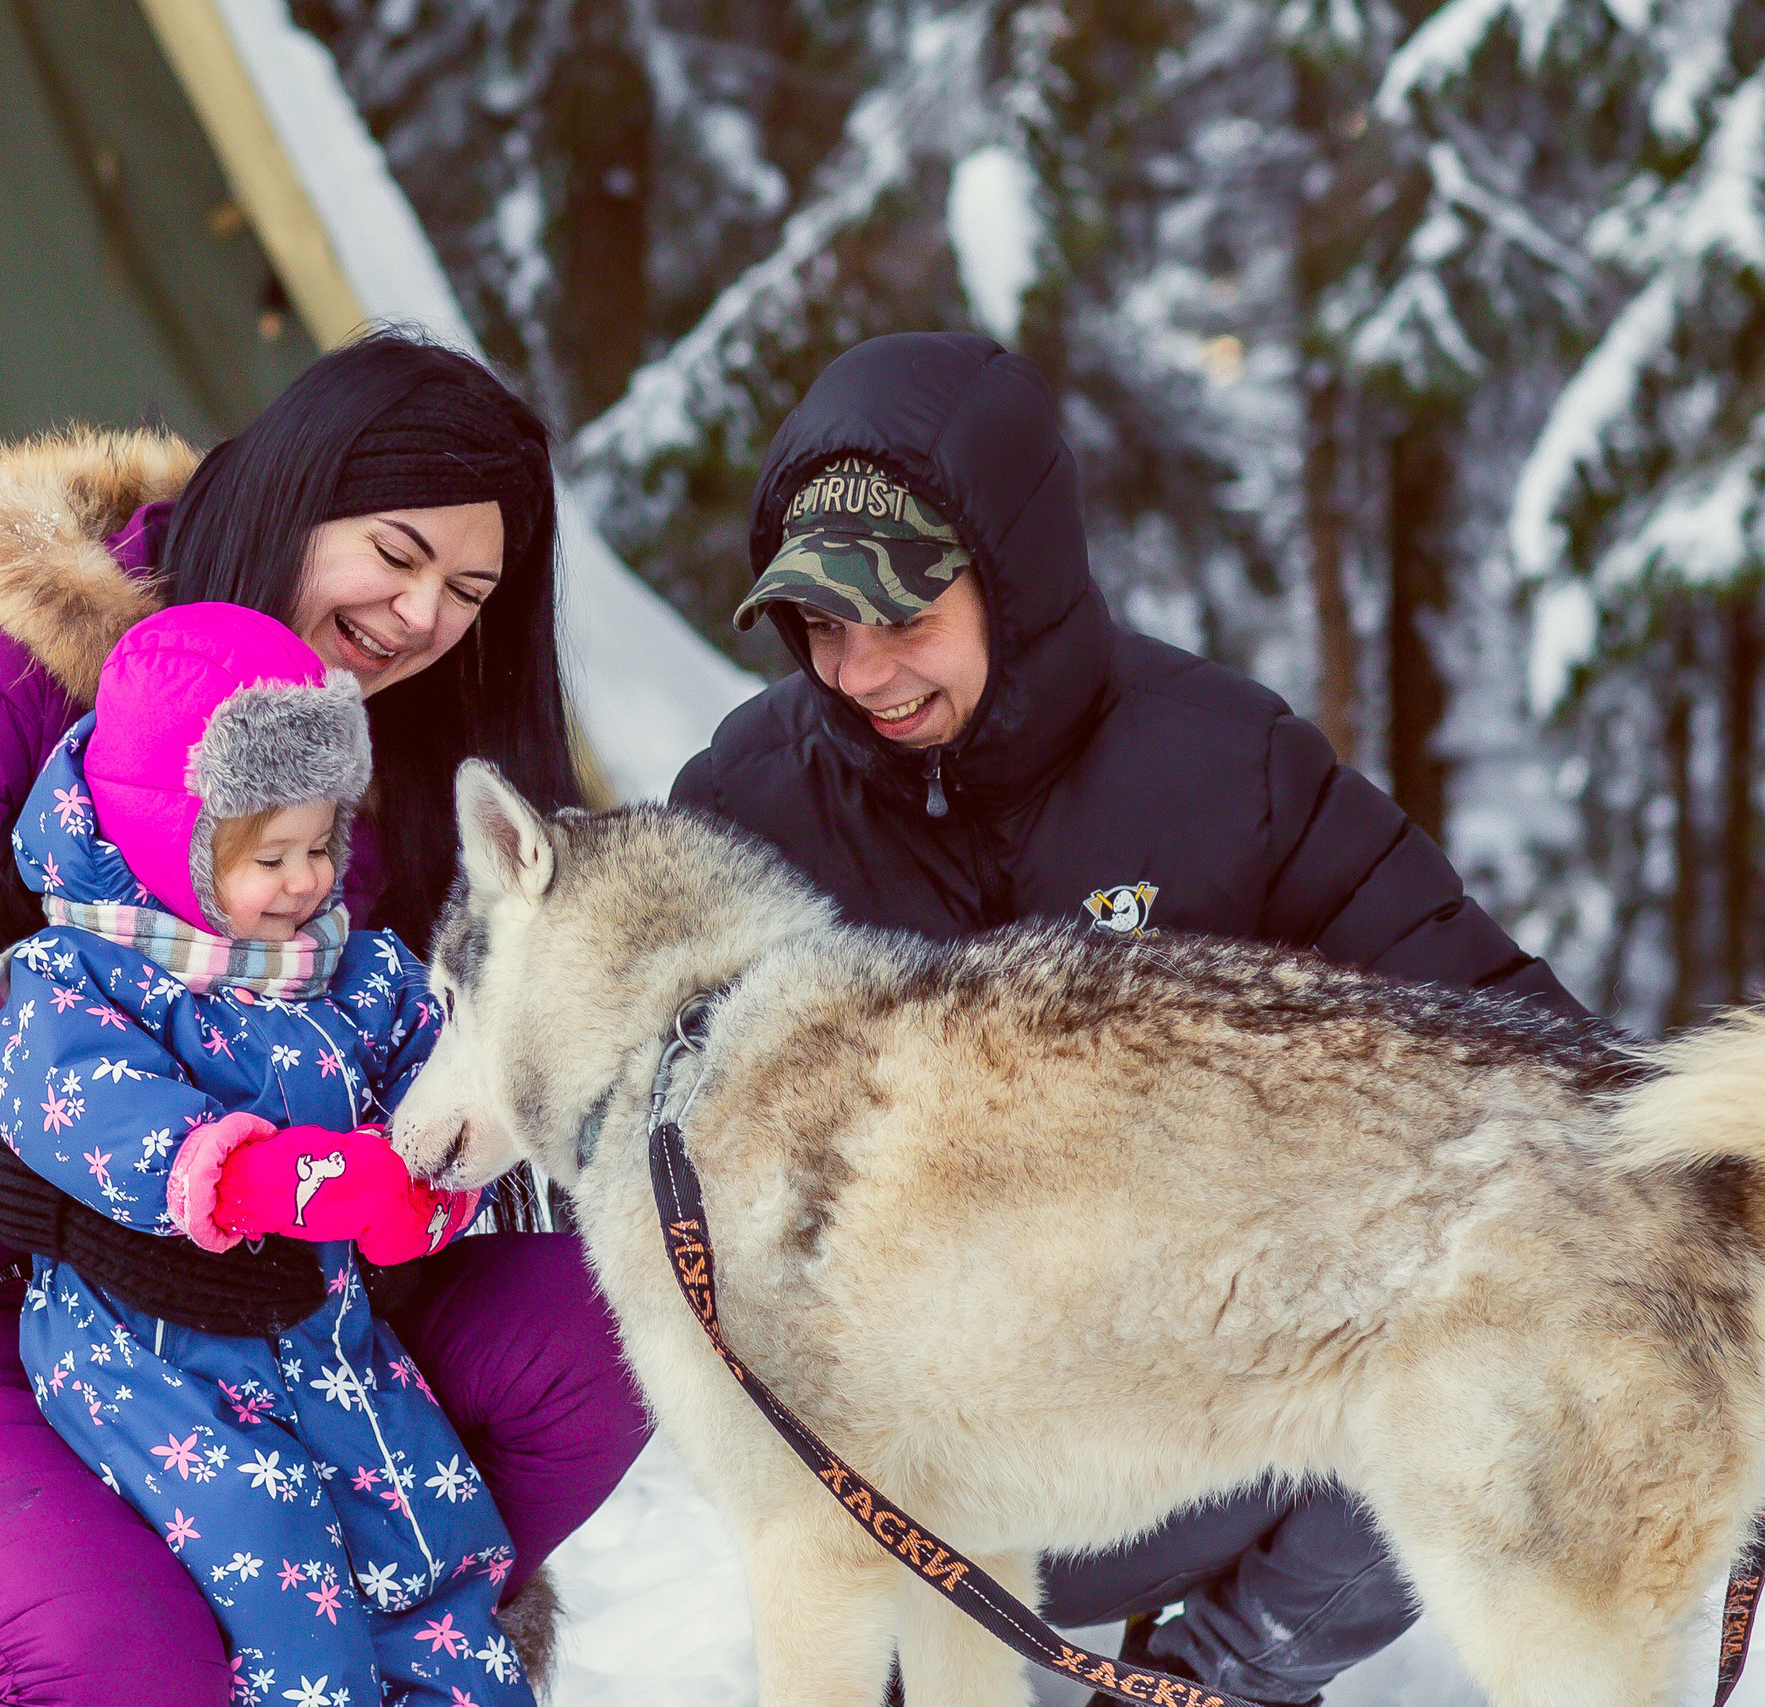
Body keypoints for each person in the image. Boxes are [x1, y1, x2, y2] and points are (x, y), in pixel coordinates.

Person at [669, 330, 1587, 1707]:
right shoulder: (750, 797)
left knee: (1527, 1355)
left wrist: (1676, 1263)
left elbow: (1503, 1032)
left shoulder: (1229, 766)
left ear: (1017, 579)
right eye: (821, 624)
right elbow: (643, 1105)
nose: (859, 671)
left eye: (903, 618)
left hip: (1192, 1416)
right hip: (901, 1447)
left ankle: (1221, 1673)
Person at [0, 331, 652, 1707]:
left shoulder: (398, 735)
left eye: (470, 589)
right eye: (397, 553)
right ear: (295, 495)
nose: (422, 616)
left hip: (292, 1302)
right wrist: (53, 1197)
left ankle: (388, 1628)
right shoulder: (10, 684)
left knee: (610, 1314)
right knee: (119, 1669)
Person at [0, 600, 523, 1706]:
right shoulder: (81, 975)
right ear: (176, 836)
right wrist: (260, 1175)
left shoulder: (349, 968)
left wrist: (430, 1185)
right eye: (270, 855)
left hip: (325, 1338)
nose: (307, 882)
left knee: (426, 1531)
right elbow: (73, 1099)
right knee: (277, 1571)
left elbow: (440, 1060)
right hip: (149, 1360)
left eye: (321, 845)